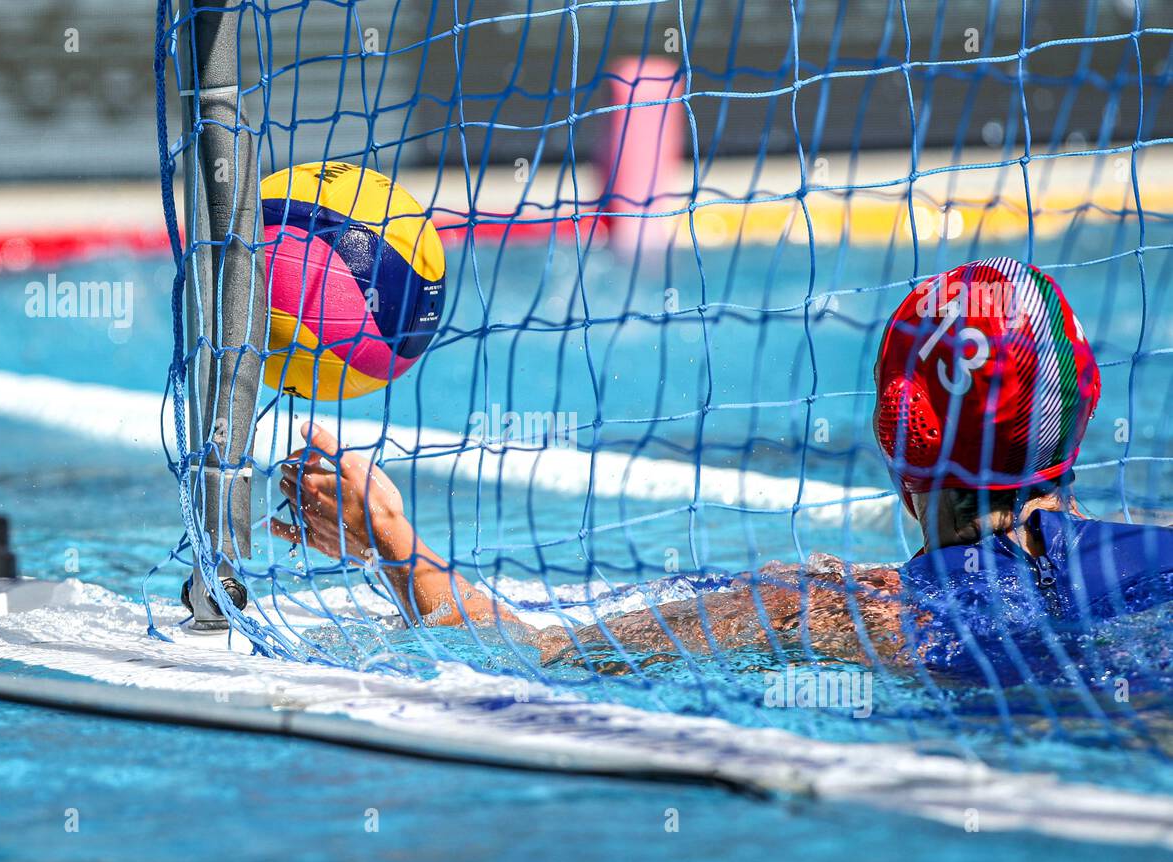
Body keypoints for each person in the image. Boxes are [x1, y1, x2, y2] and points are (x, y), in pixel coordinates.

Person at [272, 259, 1173, 683]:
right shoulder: (1158, 559)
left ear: (899, 453)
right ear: (1080, 422)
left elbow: (536, 652)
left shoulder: (828, 604)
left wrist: (386, 537)